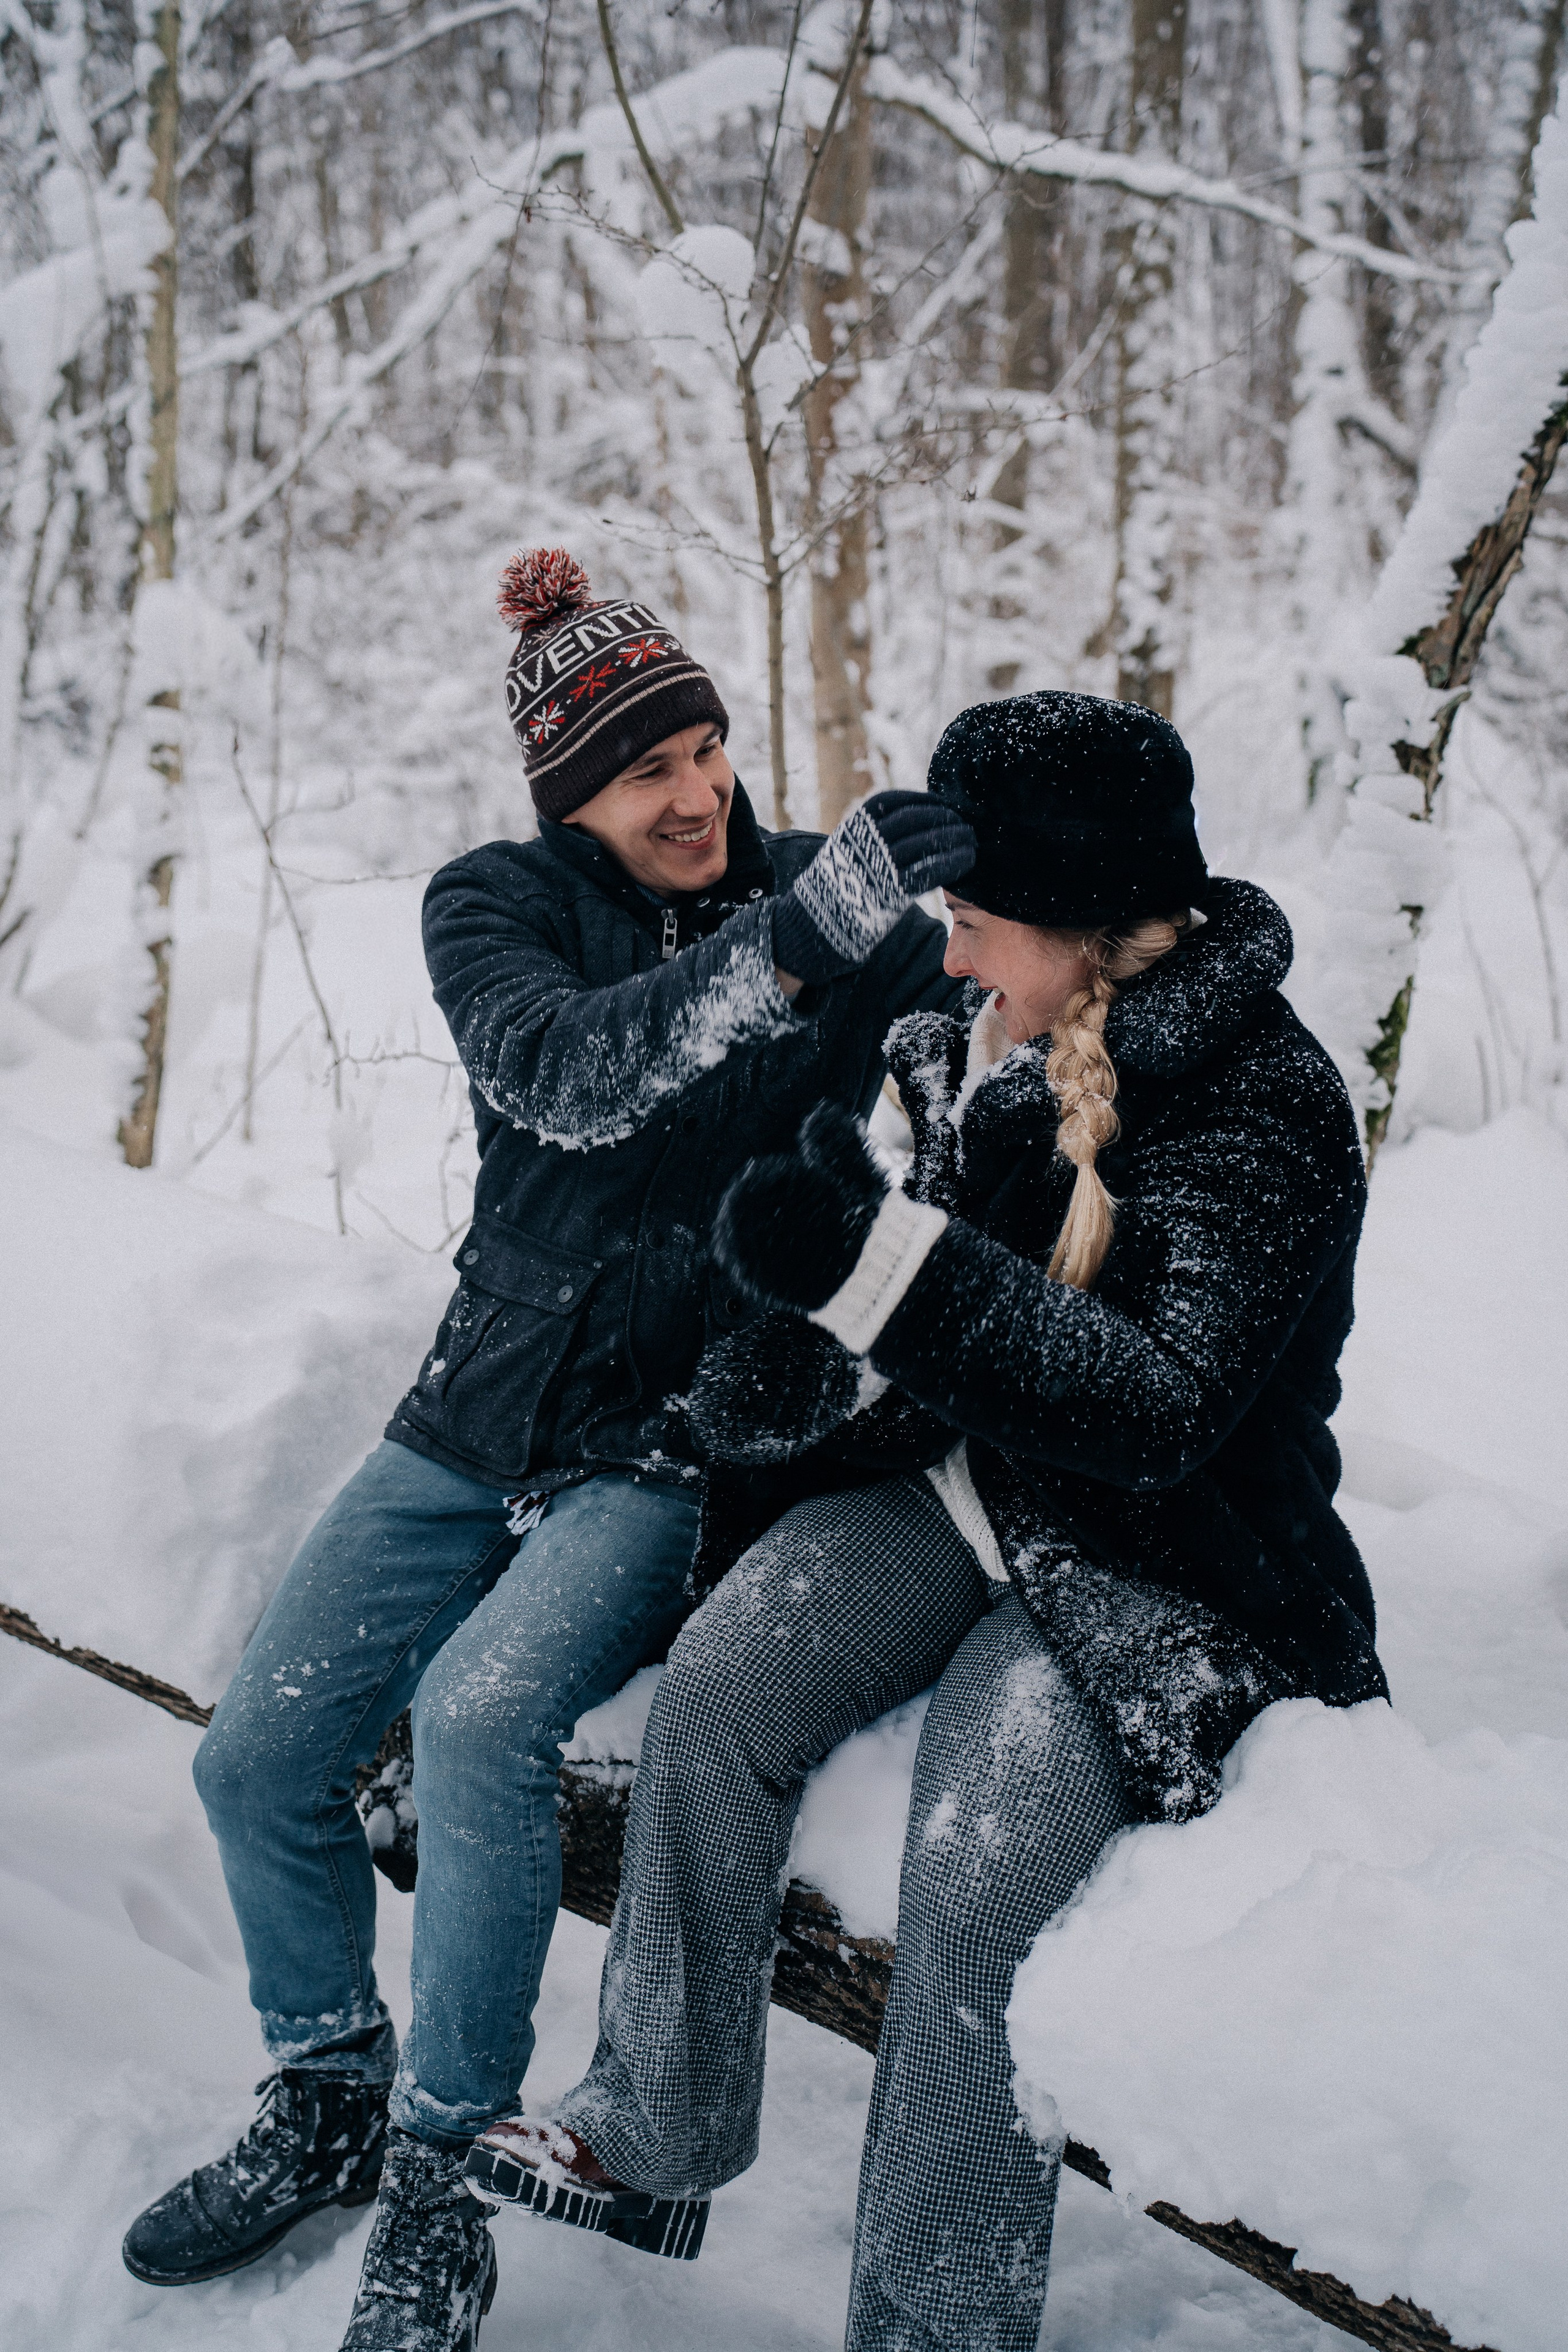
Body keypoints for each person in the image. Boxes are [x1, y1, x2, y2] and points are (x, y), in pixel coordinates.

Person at [461, 691, 1390, 2352]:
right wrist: (791, 1361)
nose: (948, 961)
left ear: (1087, 929)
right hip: (967, 1488)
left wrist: (881, 1269)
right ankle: (658, 2127)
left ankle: (932, 2322)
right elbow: (928, 1326)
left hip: (1156, 1567)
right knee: (727, 1684)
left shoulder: (1266, 1103)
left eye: (973, 928)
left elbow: (1160, 1409)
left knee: (978, 1861)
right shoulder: (979, 1040)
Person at [119, 547, 973, 2351]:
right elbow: (578, 1078)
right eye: (648, 770)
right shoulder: (490, 906)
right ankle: (330, 2086)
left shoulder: (839, 896)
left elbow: (998, 1006)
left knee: (484, 1715)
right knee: (259, 1760)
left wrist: (1012, 897)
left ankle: (444, 2169)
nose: (699, 793)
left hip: (670, 1445)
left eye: (710, 748)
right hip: (476, 1405)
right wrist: (804, 941)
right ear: (570, 794)